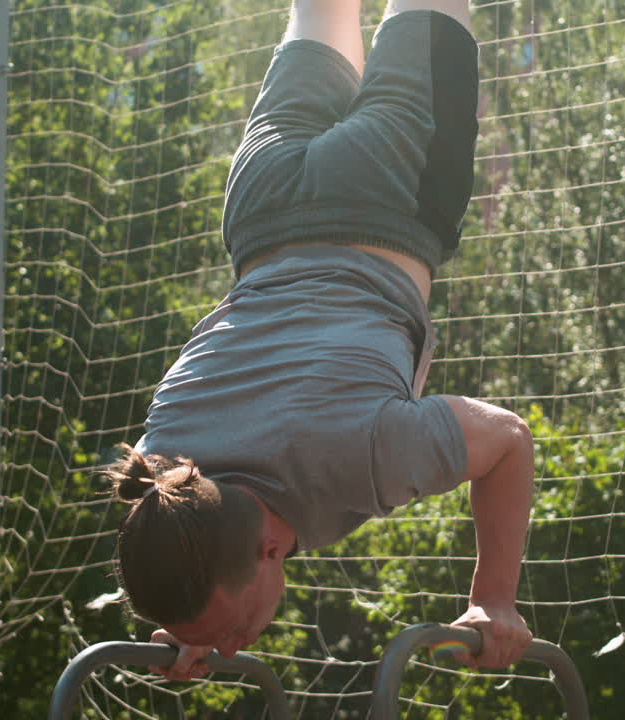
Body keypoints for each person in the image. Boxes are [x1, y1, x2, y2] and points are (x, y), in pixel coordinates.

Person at [103, 0, 535, 681]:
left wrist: (493, 601)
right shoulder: (164, 474)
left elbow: (507, 439)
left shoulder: (358, 456)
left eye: (235, 629)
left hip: (389, 185)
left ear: (271, 547)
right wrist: (195, 626)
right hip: (262, 202)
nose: (235, 648)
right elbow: (192, 549)